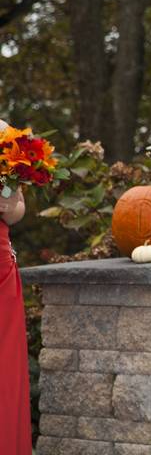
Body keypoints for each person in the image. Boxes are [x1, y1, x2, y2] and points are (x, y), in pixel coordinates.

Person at [0, 119, 32, 455]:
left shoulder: (6, 135)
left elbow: (19, 206)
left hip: (0, 268)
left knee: (4, 372)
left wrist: (11, 208)